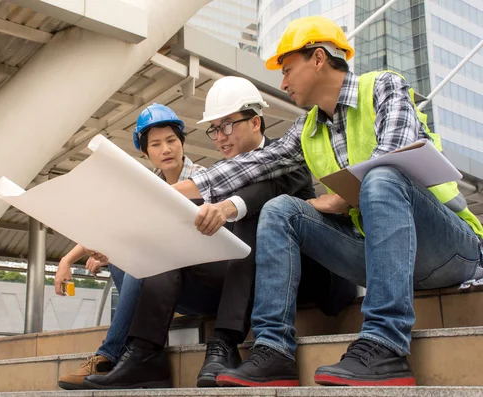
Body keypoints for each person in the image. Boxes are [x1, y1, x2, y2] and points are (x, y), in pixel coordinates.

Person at [170, 16, 483, 387]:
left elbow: (395, 156)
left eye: (287, 70)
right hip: (378, 253)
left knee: (382, 177)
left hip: (447, 249)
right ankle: (273, 350)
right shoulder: (307, 128)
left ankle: (385, 344)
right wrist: (159, 193)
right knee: (280, 209)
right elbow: (246, 168)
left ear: (318, 58)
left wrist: (341, 198)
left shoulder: (384, 87)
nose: (282, 83)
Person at [82, 77, 355, 389]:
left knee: (259, 213)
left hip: (302, 277)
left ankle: (223, 343)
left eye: (227, 126)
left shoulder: (287, 158)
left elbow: (258, 192)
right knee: (162, 243)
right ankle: (144, 354)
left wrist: (227, 207)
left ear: (256, 122)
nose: (220, 138)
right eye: (214, 129)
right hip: (237, 283)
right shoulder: (216, 175)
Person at [55, 103, 204, 390]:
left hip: (201, 282)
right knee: (125, 256)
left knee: (137, 254)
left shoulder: (202, 178)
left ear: (182, 142)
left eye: (172, 140)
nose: (166, 149)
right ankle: (136, 351)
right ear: (145, 152)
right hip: (166, 286)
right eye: (156, 144)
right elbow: (115, 224)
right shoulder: (150, 185)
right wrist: (67, 259)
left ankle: (110, 354)